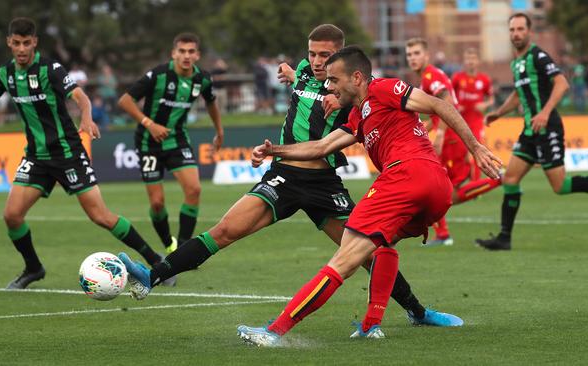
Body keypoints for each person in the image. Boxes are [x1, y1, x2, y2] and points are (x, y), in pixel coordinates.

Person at [118, 24, 456, 329]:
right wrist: (290, 74)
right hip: (283, 177)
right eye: (312, 53)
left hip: (324, 184)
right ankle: (152, 276)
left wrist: (342, 102)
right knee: (223, 230)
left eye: (326, 55)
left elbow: (368, 111)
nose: (317, 60)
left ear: (340, 56)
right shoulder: (305, 72)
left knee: (368, 255)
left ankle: (417, 311)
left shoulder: (351, 90)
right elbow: (299, 77)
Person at [235, 45, 502, 346]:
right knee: (384, 243)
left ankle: (274, 332)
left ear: (357, 78)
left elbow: (441, 105)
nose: (329, 86)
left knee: (343, 260)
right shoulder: (359, 118)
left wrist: (476, 147)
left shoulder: (385, 88)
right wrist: (275, 151)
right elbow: (321, 147)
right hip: (436, 188)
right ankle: (372, 324)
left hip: (406, 176)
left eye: (335, 80)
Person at [0, 17, 166, 289]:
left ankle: (154, 259)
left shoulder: (50, 69)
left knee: (100, 216)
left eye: (26, 43)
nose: (21, 48)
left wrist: (87, 119)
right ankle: (33, 268)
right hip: (36, 157)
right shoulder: (5, 74)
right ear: (9, 43)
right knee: (12, 215)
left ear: (35, 43)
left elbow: (80, 97)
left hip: (68, 154)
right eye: (16, 43)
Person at [475, 13, 588, 251]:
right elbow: (518, 94)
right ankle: (504, 237)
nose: (516, 34)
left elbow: (562, 83)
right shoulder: (516, 62)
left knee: (559, 186)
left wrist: (544, 113)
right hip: (530, 131)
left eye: (520, 29)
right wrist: (499, 113)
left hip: (547, 126)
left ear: (529, 32)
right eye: (512, 30)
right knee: (510, 178)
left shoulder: (538, 56)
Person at [118, 33, 224, 254]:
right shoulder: (158, 75)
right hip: (149, 142)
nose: (186, 56)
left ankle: (183, 248)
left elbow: (211, 103)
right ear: (173, 53)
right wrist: (150, 124)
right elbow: (125, 101)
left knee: (194, 189)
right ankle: (169, 243)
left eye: (191, 51)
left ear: (197, 55)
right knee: (157, 203)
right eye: (182, 51)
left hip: (177, 140)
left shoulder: (202, 79)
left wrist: (219, 130)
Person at [406, 38, 501, 246]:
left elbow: (447, 103)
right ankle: (443, 234)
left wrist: (439, 134)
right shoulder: (427, 79)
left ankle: (498, 179)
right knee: (436, 189)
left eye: (416, 53)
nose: (412, 58)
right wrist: (423, 128)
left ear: (426, 55)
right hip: (450, 137)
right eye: (409, 54)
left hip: (451, 140)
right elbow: (437, 114)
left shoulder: (431, 76)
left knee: (441, 191)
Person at [451, 47, 495, 180]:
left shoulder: (484, 79)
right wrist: (457, 106)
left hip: (476, 122)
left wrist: (484, 105)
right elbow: (448, 97)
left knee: (477, 150)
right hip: (459, 122)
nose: (470, 61)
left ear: (478, 61)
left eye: (473, 59)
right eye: (468, 59)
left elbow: (491, 99)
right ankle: (460, 178)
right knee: (460, 153)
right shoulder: (457, 78)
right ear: (464, 61)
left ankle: (475, 183)